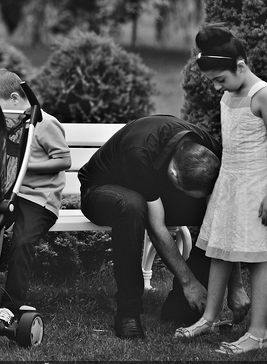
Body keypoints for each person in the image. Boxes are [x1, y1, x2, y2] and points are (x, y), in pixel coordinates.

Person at [174, 24, 267, 354]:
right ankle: (209, 317)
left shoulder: (262, 94)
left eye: (220, 78)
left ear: (241, 66)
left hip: (257, 187)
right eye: (213, 81)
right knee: (220, 249)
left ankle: (259, 334)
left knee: (257, 258)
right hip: (230, 183)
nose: (217, 85)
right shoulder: (228, 95)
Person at [78, 114, 251, 339]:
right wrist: (189, 282)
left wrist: (236, 285)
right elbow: (157, 227)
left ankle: (180, 305)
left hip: (151, 190)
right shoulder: (139, 153)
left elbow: (222, 218)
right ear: (174, 174)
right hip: (101, 190)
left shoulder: (209, 150)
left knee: (216, 211)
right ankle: (128, 312)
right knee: (132, 206)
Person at [0, 68, 71, 315]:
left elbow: (64, 160)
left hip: (39, 200)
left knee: (22, 242)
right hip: (11, 195)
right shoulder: (9, 123)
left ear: (14, 98)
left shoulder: (45, 123)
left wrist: (25, 167)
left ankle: (11, 305)